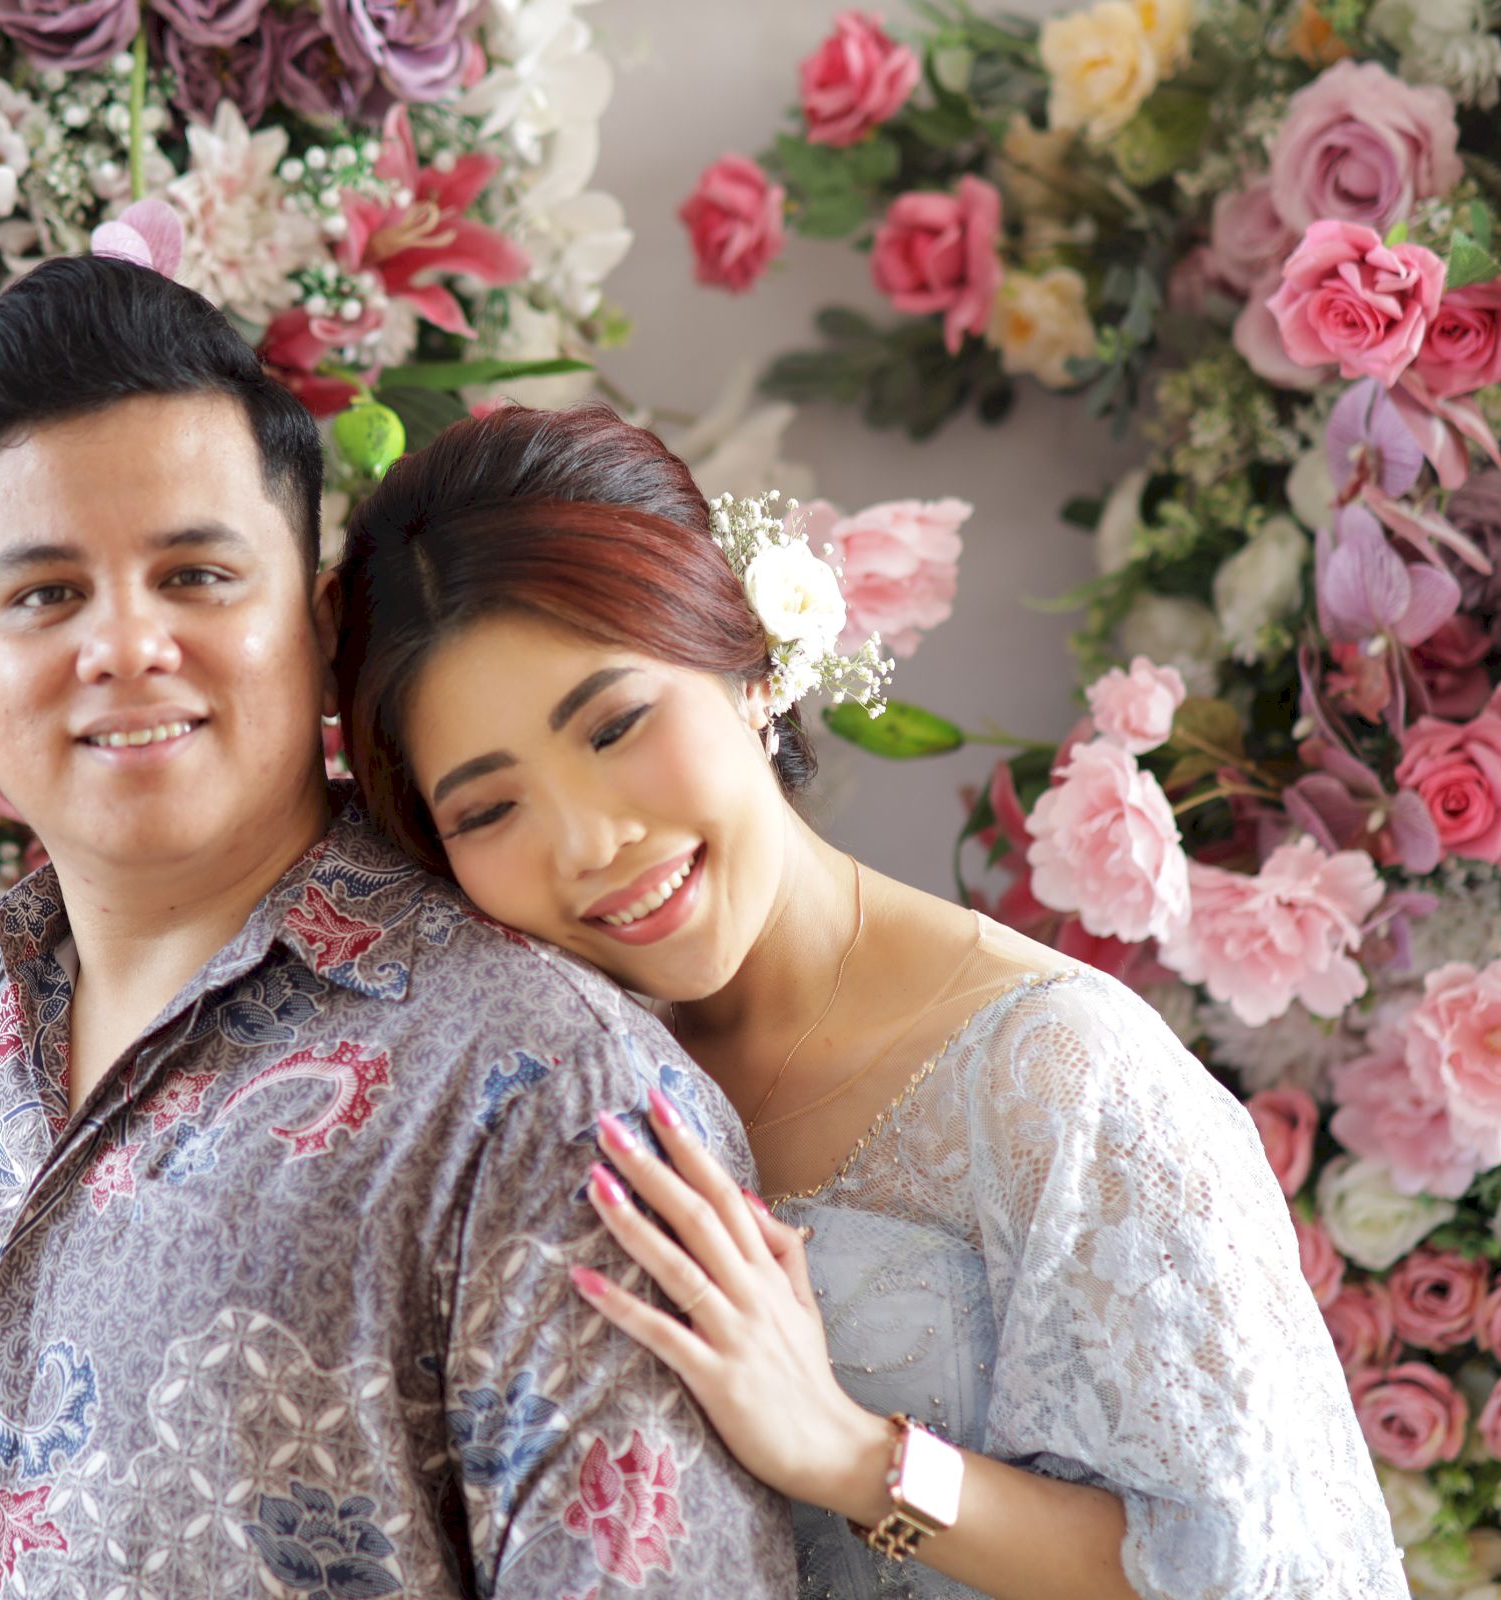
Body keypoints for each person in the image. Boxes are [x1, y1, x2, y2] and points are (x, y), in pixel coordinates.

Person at [0, 260, 796, 1599]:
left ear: (317, 624)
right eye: (45, 595)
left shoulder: (542, 1090)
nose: (125, 646)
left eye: (195, 574)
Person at [331, 403, 1407, 1600]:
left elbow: (1258, 1571)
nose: (589, 843)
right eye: (488, 809)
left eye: (616, 725)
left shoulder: (1062, 1076)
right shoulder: (534, 1103)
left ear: (747, 664)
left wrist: (849, 1454)